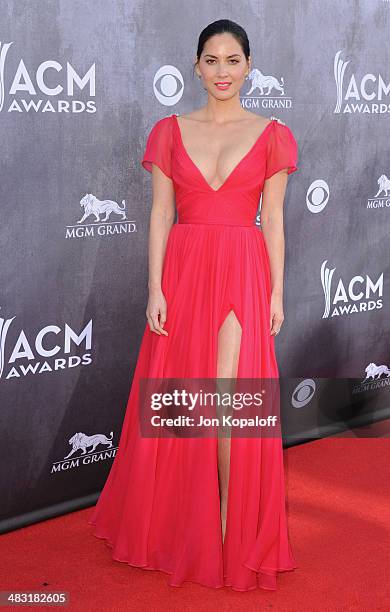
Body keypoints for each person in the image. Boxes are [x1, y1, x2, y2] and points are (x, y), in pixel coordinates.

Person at [88, 18, 299, 592]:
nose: (223, 71)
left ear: (249, 66)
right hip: (183, 272)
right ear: (196, 66)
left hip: (241, 271)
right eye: (212, 60)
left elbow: (273, 220)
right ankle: (183, 524)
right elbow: (160, 213)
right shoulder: (168, 131)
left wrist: (276, 291)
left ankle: (231, 528)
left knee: (228, 404)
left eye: (233, 60)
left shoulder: (274, 134)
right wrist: (154, 288)